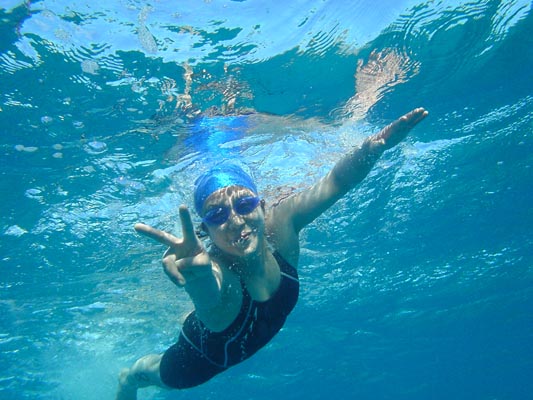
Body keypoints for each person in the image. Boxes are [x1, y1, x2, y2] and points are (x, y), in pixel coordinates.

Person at [116, 107, 428, 399]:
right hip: (200, 362)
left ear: (262, 207)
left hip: (237, 331)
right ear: (205, 231)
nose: (235, 220)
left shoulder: (283, 226)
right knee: (150, 373)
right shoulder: (218, 277)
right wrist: (195, 274)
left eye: (245, 205)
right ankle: (126, 378)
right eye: (217, 216)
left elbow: (335, 181)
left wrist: (371, 151)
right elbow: (208, 288)